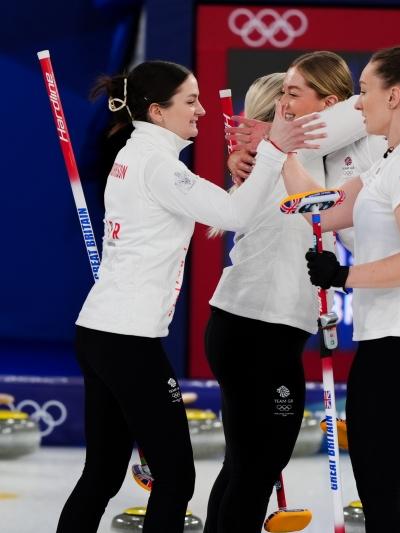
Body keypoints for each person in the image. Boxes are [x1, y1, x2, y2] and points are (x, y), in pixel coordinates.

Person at [56, 60, 322, 533]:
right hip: (126, 340)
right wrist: (273, 150)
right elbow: (235, 214)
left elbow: (229, 206)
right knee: (176, 477)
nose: (201, 110)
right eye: (190, 101)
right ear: (157, 112)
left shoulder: (139, 156)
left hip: (101, 331)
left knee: (101, 475)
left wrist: (257, 166)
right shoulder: (158, 166)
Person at [273, 44, 400, 533]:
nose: (357, 105)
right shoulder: (390, 160)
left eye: (364, 92)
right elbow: (320, 210)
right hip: (393, 338)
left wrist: (342, 277)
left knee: (382, 493)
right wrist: (282, 149)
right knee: (393, 491)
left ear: (394, 96)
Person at [203, 52, 376, 533]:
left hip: (260, 329)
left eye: (293, 95)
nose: (286, 105)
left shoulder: (311, 148)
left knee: (246, 465)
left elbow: (363, 105)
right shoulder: (283, 154)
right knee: (258, 464)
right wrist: (258, 143)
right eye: (281, 97)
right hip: (254, 328)